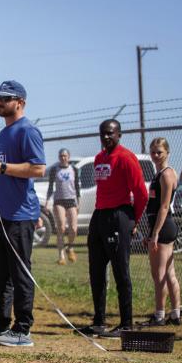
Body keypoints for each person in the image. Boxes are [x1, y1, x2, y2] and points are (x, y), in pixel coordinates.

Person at [0, 80, 46, 348]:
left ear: (20, 102)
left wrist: (2, 167)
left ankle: (22, 329)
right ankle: (1, 324)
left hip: (20, 215)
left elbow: (38, 169)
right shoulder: (3, 134)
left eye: (5, 98)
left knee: (20, 273)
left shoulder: (28, 131)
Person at [79, 119, 149, 338]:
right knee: (96, 270)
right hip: (100, 215)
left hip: (119, 216)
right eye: (103, 134)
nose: (106, 137)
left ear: (119, 134)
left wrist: (133, 221)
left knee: (121, 271)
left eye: (110, 133)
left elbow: (141, 193)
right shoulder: (100, 158)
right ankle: (99, 321)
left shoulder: (127, 158)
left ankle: (126, 323)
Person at [138, 138, 181, 326]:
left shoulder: (166, 174)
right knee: (168, 272)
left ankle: (160, 315)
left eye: (159, 152)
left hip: (164, 226)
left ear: (167, 153)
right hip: (159, 225)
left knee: (159, 274)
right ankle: (175, 314)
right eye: (153, 152)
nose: (155, 156)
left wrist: (155, 233)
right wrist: (150, 231)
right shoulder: (159, 174)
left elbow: (164, 206)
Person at [46, 148, 80, 265]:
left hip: (71, 200)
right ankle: (61, 255)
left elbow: (77, 187)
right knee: (61, 228)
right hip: (59, 200)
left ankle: (70, 247)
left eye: (65, 156)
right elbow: (50, 187)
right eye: (61, 156)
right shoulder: (55, 170)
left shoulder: (74, 169)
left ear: (69, 157)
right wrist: (47, 201)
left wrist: (78, 202)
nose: (63, 158)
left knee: (73, 228)